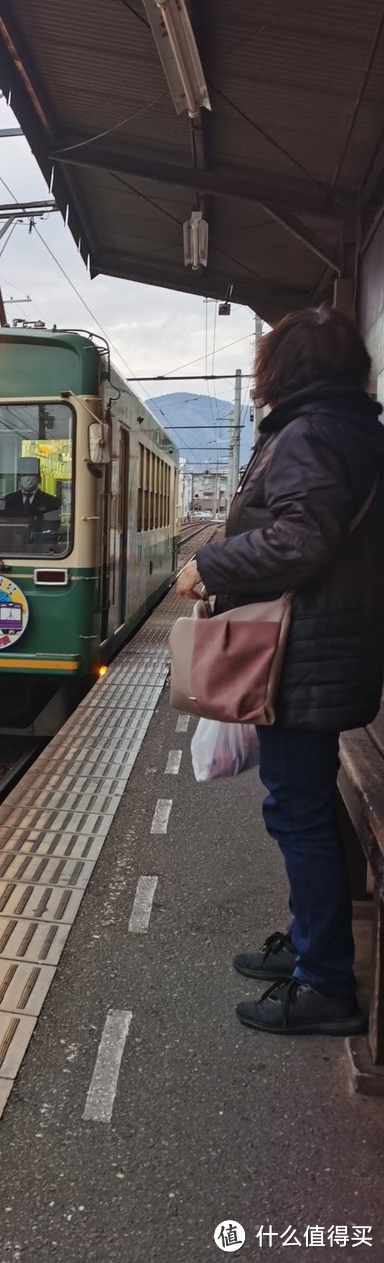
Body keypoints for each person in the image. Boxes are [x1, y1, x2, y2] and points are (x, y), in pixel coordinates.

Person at [176, 306, 384, 1037]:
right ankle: (307, 947)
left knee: (295, 812)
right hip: (320, 652)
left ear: (282, 369)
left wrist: (211, 563)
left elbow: (302, 537)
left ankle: (325, 983)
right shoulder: (343, 425)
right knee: (301, 806)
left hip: (304, 657)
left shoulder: (313, 432)